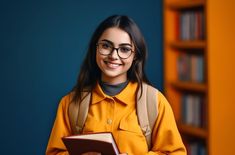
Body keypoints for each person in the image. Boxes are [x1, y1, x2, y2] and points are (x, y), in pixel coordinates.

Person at [46, 15, 186, 155]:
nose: (113, 55)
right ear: (95, 48)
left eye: (124, 49)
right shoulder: (70, 103)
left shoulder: (155, 102)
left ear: (135, 55)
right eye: (106, 46)